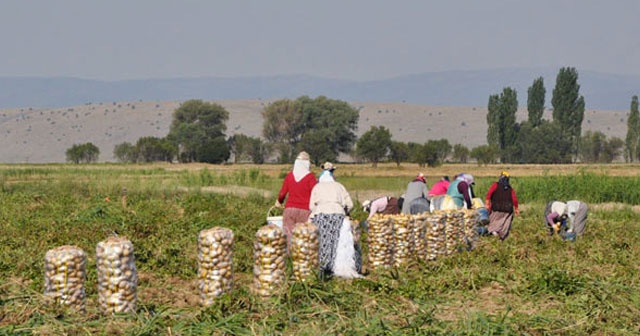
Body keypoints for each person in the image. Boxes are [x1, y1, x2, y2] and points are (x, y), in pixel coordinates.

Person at [309, 170, 360, 278]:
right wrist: (345, 211)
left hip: (321, 216)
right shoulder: (339, 186)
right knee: (336, 242)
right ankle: (334, 266)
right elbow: (350, 204)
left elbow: (311, 206)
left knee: (322, 242)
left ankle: (322, 266)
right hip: (338, 216)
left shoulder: (317, 187)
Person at [275, 151, 317, 247]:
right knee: (303, 237)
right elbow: (315, 193)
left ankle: (290, 259)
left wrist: (279, 202)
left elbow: (282, 194)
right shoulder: (310, 177)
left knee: (289, 236)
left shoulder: (290, 176)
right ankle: (302, 259)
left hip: (289, 210)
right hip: (305, 211)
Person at [484, 171, 520, 240]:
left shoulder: (495, 185)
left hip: (496, 208)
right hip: (508, 210)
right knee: (505, 224)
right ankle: (501, 237)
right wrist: (516, 208)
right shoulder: (510, 188)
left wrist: (487, 204)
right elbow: (514, 199)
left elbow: (489, 194)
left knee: (493, 222)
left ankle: (494, 233)